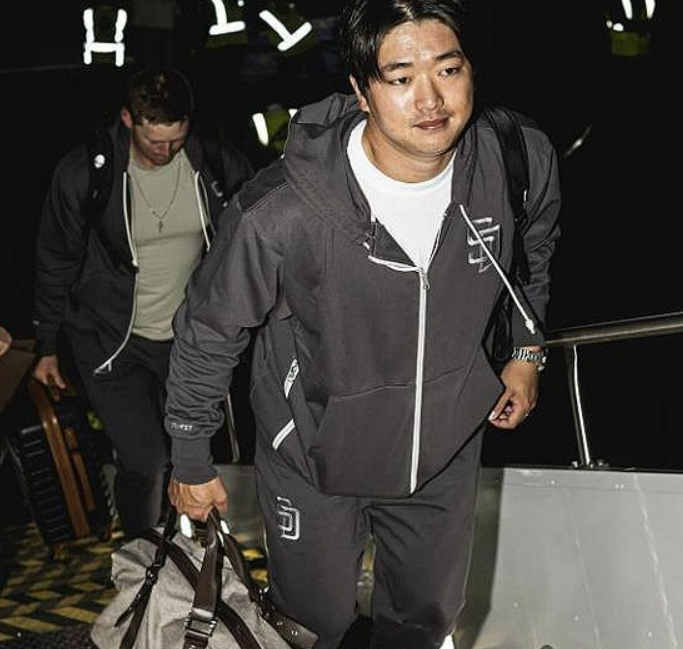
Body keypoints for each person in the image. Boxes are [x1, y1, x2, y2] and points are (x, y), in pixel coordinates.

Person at [165, 0, 561, 646]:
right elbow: (209, 329)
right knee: (311, 627)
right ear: (360, 89)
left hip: (442, 451)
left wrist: (525, 349)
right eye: (400, 78)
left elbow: (532, 252)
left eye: (448, 70)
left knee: (424, 625)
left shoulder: (515, 159)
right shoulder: (282, 210)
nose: (430, 99)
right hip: (313, 455)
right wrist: (190, 455)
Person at [31, 66, 254, 540]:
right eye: (155, 141)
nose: (166, 151)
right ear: (129, 119)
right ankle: (140, 551)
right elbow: (55, 260)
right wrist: (46, 346)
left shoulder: (213, 162)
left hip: (187, 340)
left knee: (189, 454)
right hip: (109, 339)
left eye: (176, 139)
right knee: (144, 459)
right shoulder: (86, 172)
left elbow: (257, 234)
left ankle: (192, 553)